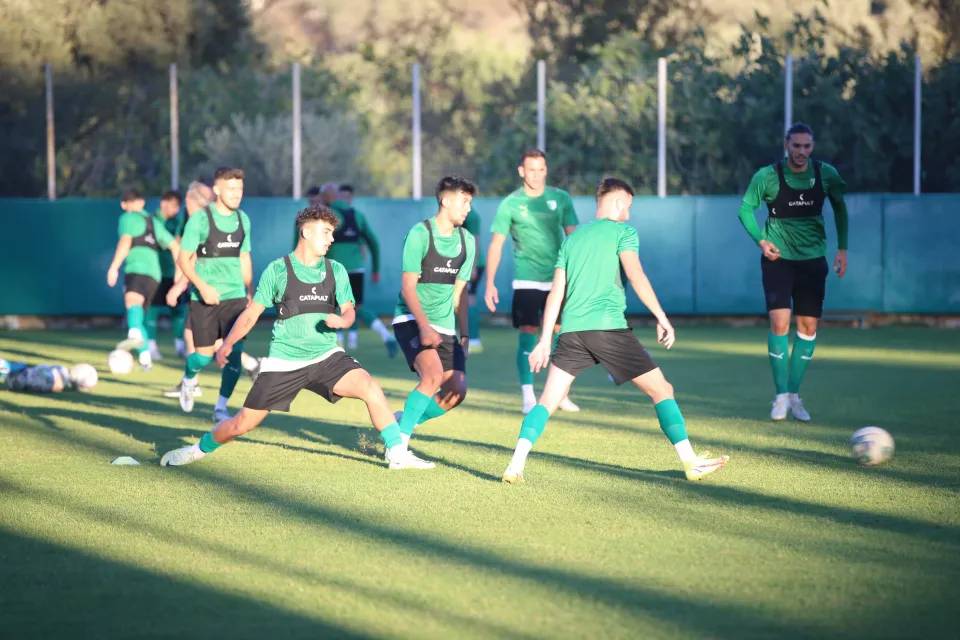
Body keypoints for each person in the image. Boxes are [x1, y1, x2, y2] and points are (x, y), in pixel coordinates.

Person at [160, 204, 431, 470]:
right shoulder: (278, 270)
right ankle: (195, 450)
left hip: (326, 357)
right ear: (306, 232)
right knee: (241, 424)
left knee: (370, 387)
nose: (332, 239)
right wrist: (227, 344)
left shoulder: (336, 270)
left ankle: (397, 453)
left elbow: (349, 311)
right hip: (285, 362)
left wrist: (342, 320)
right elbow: (250, 315)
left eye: (332, 233)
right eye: (326, 232)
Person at [501, 178, 730, 484]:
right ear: (619, 202)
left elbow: (556, 293)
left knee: (547, 402)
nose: (629, 214)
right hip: (608, 329)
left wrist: (545, 340)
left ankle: (515, 464)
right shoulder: (624, 232)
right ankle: (691, 463)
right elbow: (636, 275)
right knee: (662, 390)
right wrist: (661, 316)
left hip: (571, 332)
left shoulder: (572, 239)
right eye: (629, 206)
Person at [737, 122, 849, 422]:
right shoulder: (767, 176)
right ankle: (780, 396)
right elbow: (745, 210)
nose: (801, 151)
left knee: (808, 328)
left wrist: (842, 248)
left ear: (812, 147)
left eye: (806, 146)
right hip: (778, 260)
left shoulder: (826, 174)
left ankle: (794, 395)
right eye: (796, 145)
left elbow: (840, 207)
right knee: (779, 322)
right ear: (786, 144)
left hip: (813, 260)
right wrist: (761, 241)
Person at [484, 148, 580, 414]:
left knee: (562, 336)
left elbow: (574, 239)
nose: (536, 175)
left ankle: (560, 394)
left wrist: (579, 275)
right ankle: (528, 396)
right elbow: (496, 244)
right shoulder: (511, 203)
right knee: (528, 334)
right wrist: (489, 282)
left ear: (546, 170)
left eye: (541, 169)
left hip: (558, 280)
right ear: (521, 171)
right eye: (531, 169)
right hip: (527, 281)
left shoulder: (560, 198)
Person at [390, 176, 476, 464]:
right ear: (446, 200)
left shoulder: (467, 241)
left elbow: (460, 295)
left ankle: (402, 423)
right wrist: (424, 326)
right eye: (464, 201)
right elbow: (407, 288)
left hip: (445, 328)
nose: (468, 208)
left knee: (456, 392)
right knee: (432, 376)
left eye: (470, 202)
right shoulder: (419, 234)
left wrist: (465, 336)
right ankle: (397, 452)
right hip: (411, 319)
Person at [173, 167, 253, 421]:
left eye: (240, 189)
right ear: (217, 190)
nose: (237, 194)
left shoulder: (243, 220)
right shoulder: (200, 220)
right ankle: (189, 378)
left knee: (234, 354)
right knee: (203, 356)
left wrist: (250, 291)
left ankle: (220, 407)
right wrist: (203, 287)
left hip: (235, 297)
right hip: (204, 299)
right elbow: (183, 259)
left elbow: (244, 257)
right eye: (231, 189)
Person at [309, 183, 398, 355]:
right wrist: (376, 269)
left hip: (334, 268)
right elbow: (373, 242)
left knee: (330, 307)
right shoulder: (358, 215)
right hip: (357, 269)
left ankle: (335, 347)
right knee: (357, 308)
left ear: (325, 198)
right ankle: (387, 336)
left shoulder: (326, 216)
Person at [106, 188, 180, 371]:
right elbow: (175, 246)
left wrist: (114, 267)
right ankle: (145, 358)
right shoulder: (153, 222)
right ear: (142, 203)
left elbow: (125, 241)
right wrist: (179, 274)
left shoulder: (127, 217)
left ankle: (133, 335)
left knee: (132, 304)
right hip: (155, 275)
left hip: (137, 269)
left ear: (124, 205)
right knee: (138, 314)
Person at [145, 189, 187, 361]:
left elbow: (180, 244)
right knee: (152, 309)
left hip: (174, 273)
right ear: (163, 203)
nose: (175, 210)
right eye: (172, 205)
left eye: (178, 206)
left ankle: (180, 345)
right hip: (155, 273)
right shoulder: (151, 221)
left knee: (178, 309)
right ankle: (151, 347)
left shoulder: (178, 222)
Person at [461, 206, 486, 353]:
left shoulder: (471, 215)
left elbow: (475, 240)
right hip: (462, 263)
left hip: (470, 265)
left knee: (468, 300)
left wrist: (473, 266)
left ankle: (474, 341)